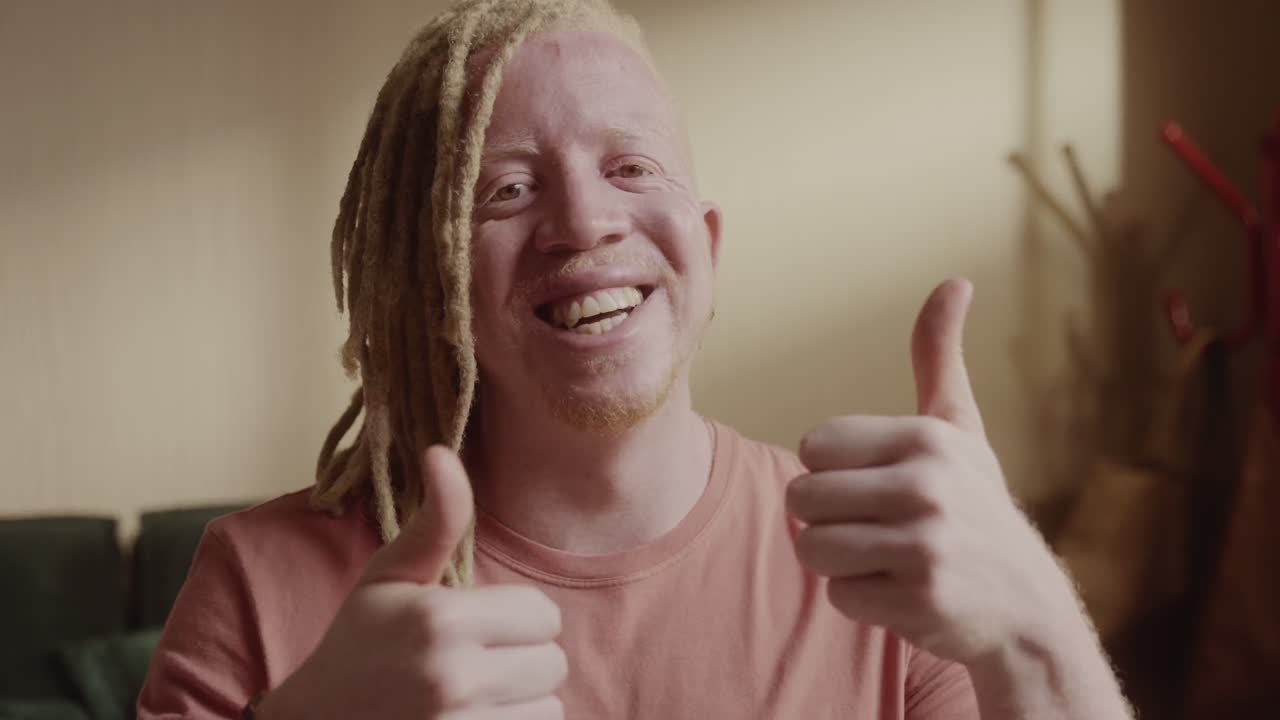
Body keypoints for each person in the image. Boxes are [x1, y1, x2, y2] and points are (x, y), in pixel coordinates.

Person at [137, 0, 1132, 717]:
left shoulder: (891, 572)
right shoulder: (255, 581)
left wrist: (1035, 622)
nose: (584, 224)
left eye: (628, 167)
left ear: (705, 244)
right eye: (506, 191)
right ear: (430, 282)